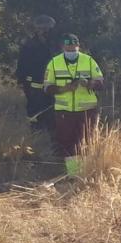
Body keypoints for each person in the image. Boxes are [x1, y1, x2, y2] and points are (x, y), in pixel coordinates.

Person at [43, 34, 104, 177]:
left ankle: (87, 173)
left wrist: (90, 84)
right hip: (64, 110)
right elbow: (47, 88)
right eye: (68, 46)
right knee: (67, 142)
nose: (71, 49)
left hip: (87, 110)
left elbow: (101, 83)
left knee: (88, 141)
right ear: (62, 47)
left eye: (74, 46)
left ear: (78, 46)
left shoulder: (88, 61)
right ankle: (74, 174)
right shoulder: (54, 63)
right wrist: (64, 89)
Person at [14, 14, 57, 132]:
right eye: (42, 29)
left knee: (50, 108)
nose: (44, 31)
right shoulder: (29, 45)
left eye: (47, 29)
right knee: (34, 108)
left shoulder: (54, 44)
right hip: (33, 82)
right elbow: (22, 63)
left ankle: (49, 131)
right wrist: (22, 80)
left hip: (51, 82)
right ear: (37, 29)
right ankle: (35, 132)